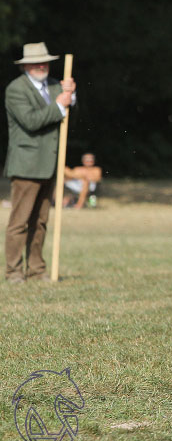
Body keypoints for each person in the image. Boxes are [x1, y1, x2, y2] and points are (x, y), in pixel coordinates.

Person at [4, 42, 75, 283]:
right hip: (26, 165)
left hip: (49, 164)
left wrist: (71, 95)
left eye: (44, 61)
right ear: (25, 66)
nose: (41, 65)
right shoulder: (16, 90)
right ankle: (13, 272)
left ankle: (36, 269)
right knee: (20, 222)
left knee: (40, 222)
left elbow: (66, 115)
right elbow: (31, 121)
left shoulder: (56, 85)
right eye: (35, 62)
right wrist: (60, 103)